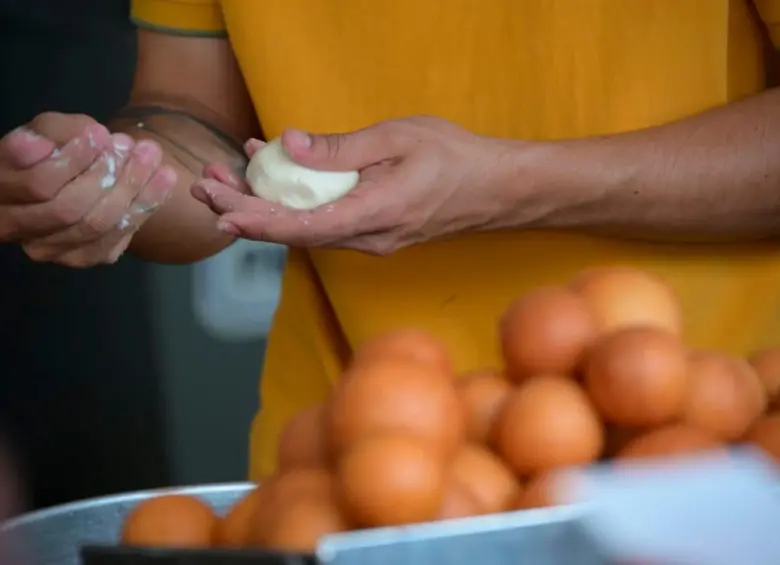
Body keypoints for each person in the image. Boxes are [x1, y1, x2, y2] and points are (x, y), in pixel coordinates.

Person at [1, 0, 780, 480]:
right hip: (353, 455)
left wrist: (513, 184)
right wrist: (116, 179)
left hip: (709, 444)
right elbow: (189, 117)